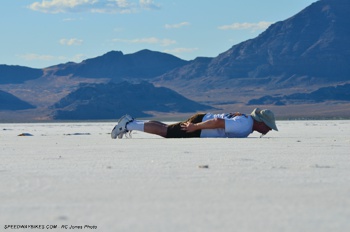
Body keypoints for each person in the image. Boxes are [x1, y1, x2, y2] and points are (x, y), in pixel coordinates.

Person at [111, 108, 278, 139]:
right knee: (166, 132)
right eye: (269, 126)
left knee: (166, 128)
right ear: (261, 123)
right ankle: (128, 125)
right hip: (201, 127)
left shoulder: (246, 121)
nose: (269, 130)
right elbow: (218, 122)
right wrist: (195, 127)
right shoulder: (244, 125)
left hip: (202, 123)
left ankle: (131, 123)